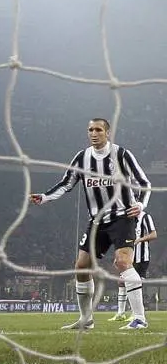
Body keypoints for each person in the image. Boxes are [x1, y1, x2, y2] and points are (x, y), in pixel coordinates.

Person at [30, 118, 151, 330]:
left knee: (123, 262)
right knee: (81, 266)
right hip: (97, 221)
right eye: (90, 130)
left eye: (98, 130)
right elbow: (66, 183)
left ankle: (139, 318)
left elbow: (144, 183)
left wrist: (140, 205)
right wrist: (45, 197)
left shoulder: (121, 154)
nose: (94, 133)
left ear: (107, 132)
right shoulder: (82, 157)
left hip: (122, 217)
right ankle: (86, 319)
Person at [109, 211, 157, 321]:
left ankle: (135, 313)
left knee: (136, 283)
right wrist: (118, 257)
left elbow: (154, 234)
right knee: (121, 282)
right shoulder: (126, 218)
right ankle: (120, 313)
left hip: (141, 257)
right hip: (128, 256)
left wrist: (140, 239)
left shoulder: (145, 216)